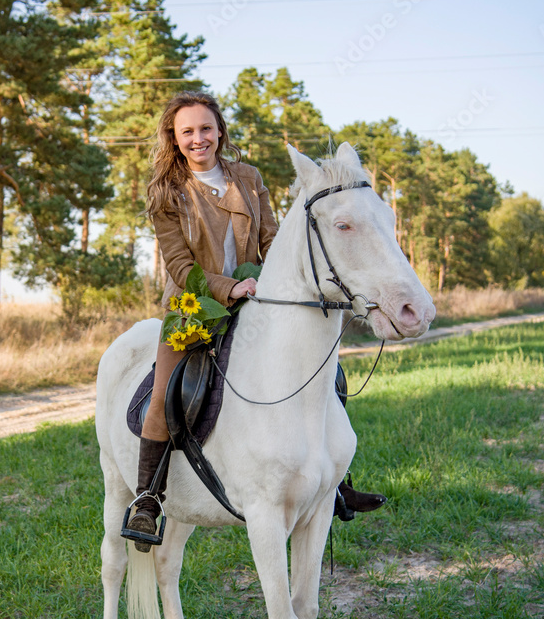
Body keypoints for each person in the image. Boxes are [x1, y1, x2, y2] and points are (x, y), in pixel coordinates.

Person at [124, 90, 384, 552]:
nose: (198, 138)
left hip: (259, 298)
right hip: (193, 306)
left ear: (220, 130)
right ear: (175, 138)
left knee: (327, 375)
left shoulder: (248, 178)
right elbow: (180, 265)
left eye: (206, 128)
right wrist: (230, 288)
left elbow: (269, 238)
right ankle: (147, 499)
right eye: (188, 132)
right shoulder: (166, 192)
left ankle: (336, 483)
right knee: (166, 393)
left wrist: (270, 282)